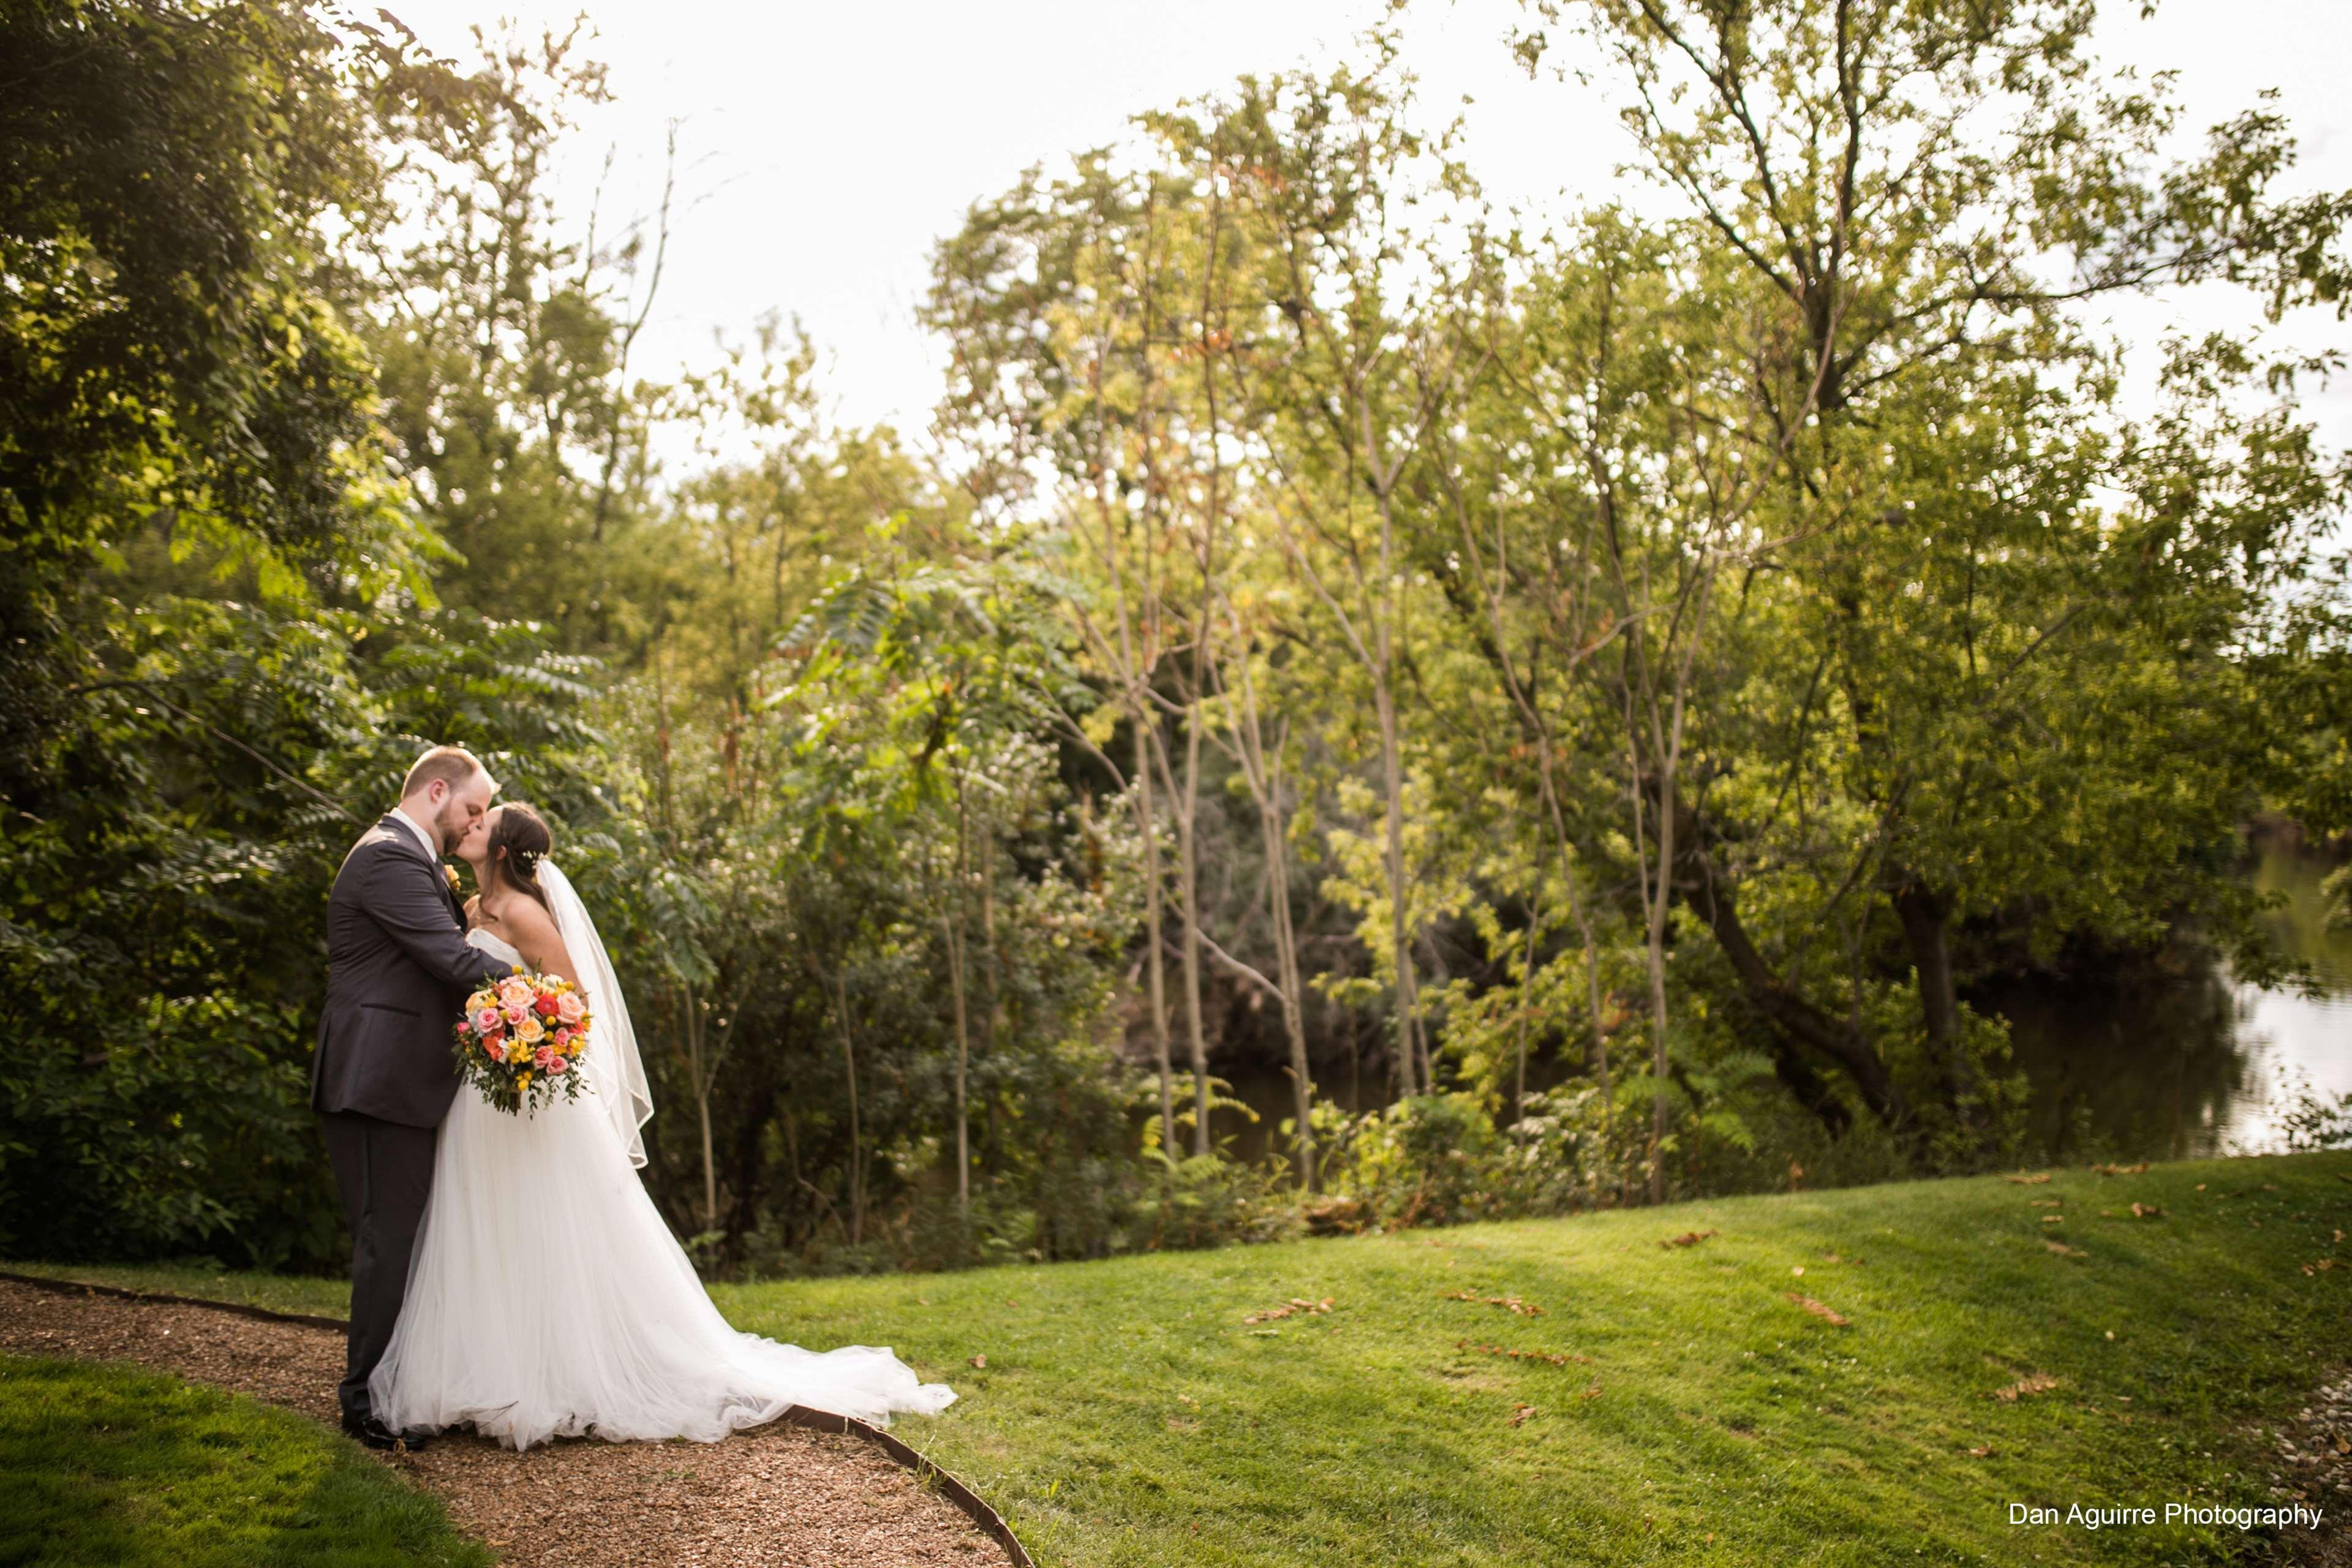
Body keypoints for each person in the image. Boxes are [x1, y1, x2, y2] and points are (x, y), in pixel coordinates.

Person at [366, 801, 957, 1450]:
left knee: (538, 1227)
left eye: (483, 822)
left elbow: (573, 999)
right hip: (478, 1092)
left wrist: (519, 1037)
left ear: (502, 850)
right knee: (481, 1223)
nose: (469, 823)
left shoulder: (525, 912)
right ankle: (479, 1370)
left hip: (523, 1090)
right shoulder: (471, 909)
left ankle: (550, 1374)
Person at [313, 745, 513, 1451]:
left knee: (397, 1237)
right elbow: (452, 960)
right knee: (385, 1238)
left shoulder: (411, 857)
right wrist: (538, 998)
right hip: (377, 1079)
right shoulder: (387, 859)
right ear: (436, 791)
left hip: (396, 1078)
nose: (476, 822)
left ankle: (389, 1386)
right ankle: (363, 1401)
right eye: (472, 808)